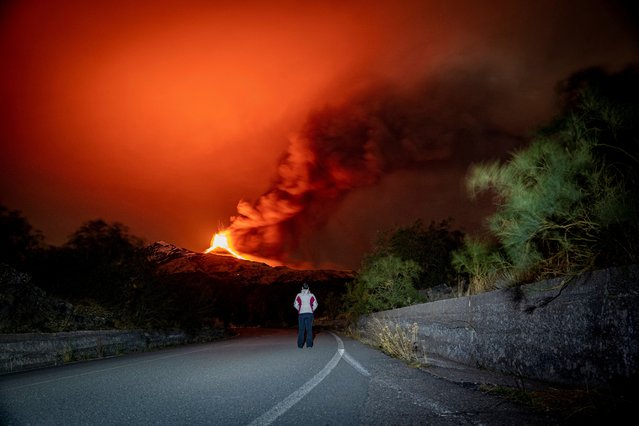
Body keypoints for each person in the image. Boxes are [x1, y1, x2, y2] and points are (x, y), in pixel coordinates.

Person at [294, 283, 318, 348]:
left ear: (302, 288)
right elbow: (315, 304)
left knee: (301, 330)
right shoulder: (311, 295)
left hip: (301, 314)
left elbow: (295, 304)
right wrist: (312, 309)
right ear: (308, 288)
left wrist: (300, 309)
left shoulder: (298, 295)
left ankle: (300, 345)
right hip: (309, 314)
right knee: (309, 329)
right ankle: (309, 345)